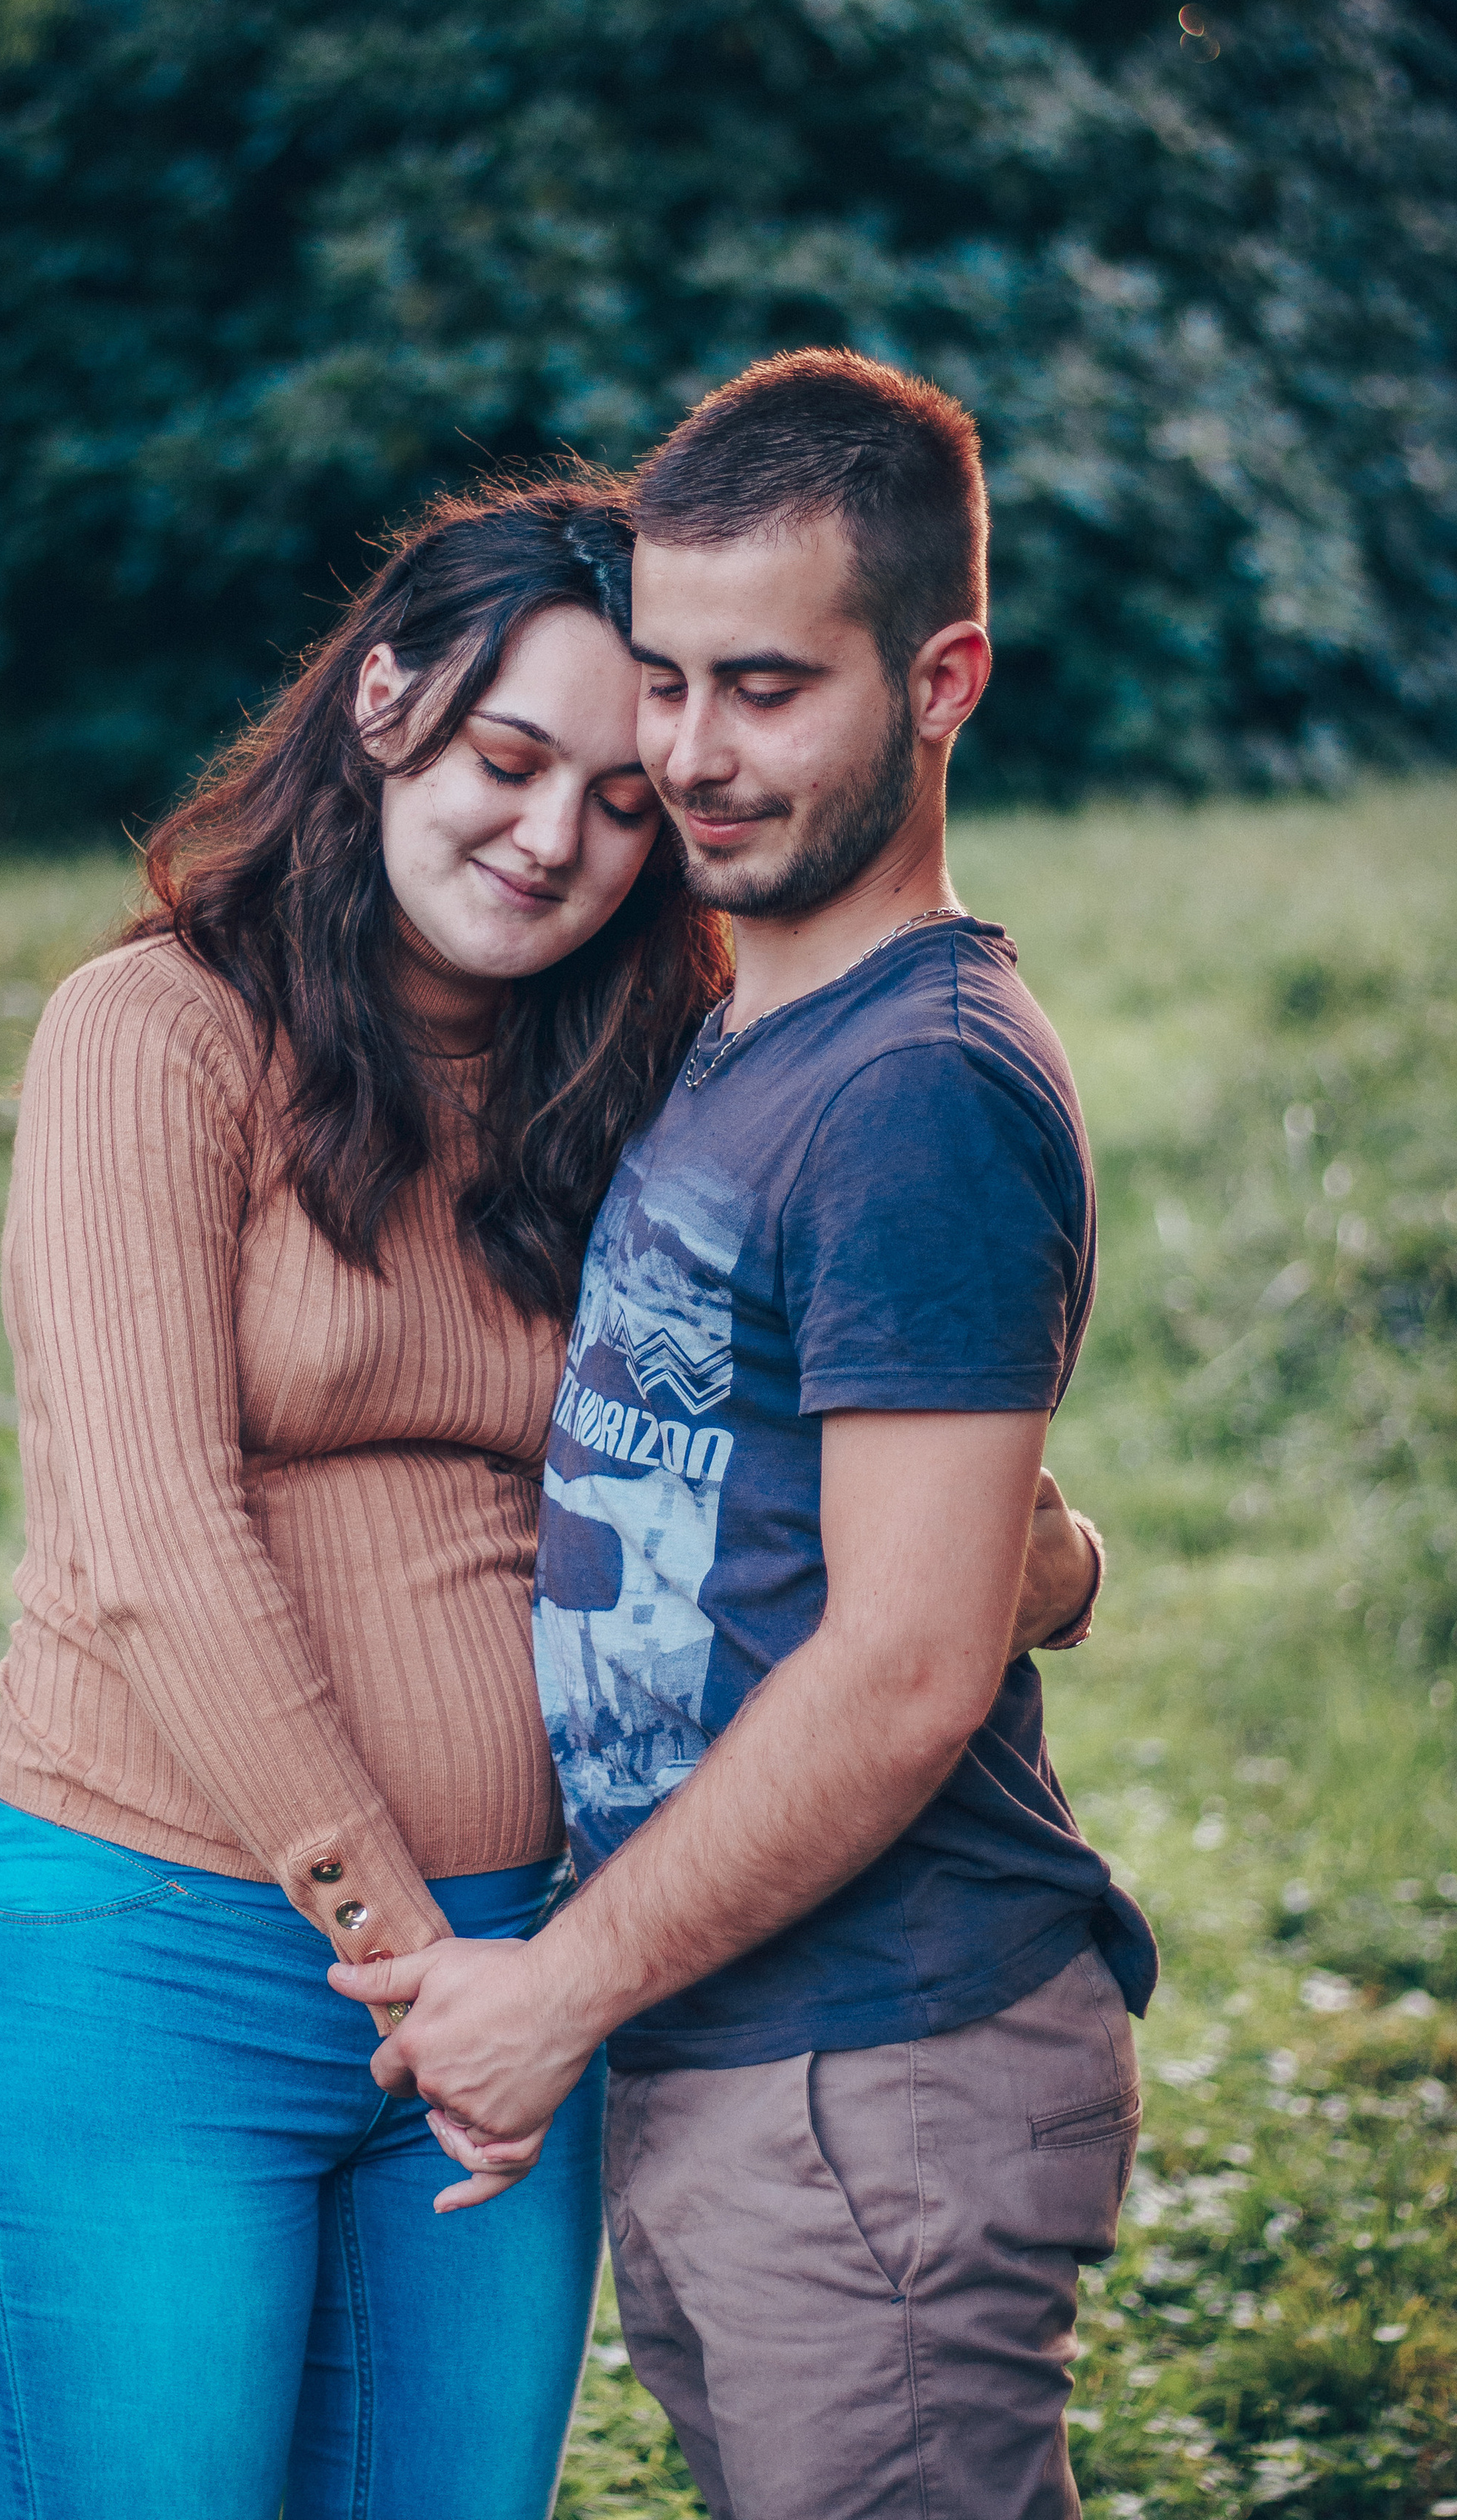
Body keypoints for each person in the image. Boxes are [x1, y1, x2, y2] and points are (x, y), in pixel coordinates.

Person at [0, 469, 1106, 2520]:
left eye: (620, 792)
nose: (554, 835)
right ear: (382, 702)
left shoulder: (653, 1074)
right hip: (174, 1968)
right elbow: (151, 1552)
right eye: (503, 756)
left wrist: (1049, 1564)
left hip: (523, 1971)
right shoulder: (158, 1035)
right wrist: (428, 1974)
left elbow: (861, 1458)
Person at [333, 356, 1159, 2520]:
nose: (689, 756)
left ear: (944, 675)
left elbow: (901, 1667)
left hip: (877, 2067)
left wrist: (555, 1993)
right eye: (669, 684)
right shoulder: (744, 1025)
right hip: (749, 2055)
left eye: (767, 689)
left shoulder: (920, 1087)